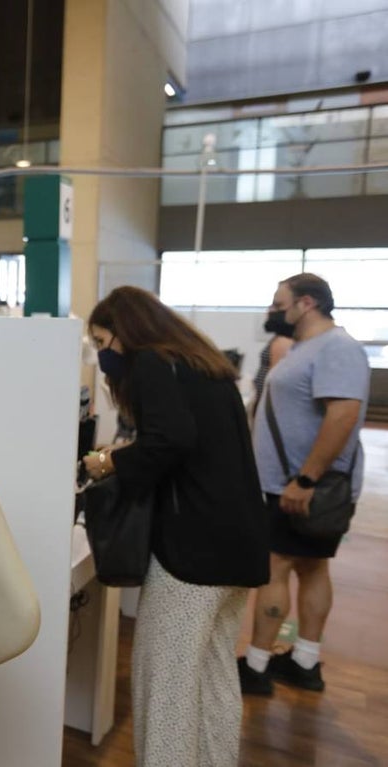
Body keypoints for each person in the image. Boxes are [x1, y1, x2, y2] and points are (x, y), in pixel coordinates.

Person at [81, 286, 268, 767]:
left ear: (128, 331)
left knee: (165, 684)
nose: (103, 356)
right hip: (239, 545)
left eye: (103, 342)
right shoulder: (205, 365)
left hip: (193, 555)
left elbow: (170, 440)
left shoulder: (151, 363)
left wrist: (109, 461)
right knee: (213, 676)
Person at [239, 273, 370, 696]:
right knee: (313, 567)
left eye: (280, 302)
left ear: (307, 303)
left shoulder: (337, 348)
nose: (274, 309)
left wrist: (306, 479)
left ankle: (257, 667)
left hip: (300, 486)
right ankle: (304, 662)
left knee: (277, 567)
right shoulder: (304, 347)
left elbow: (343, 415)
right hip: (291, 482)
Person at [249, 309, 294, 422]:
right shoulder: (278, 339)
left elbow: (275, 379)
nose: (268, 311)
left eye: (276, 306)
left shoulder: (283, 342)